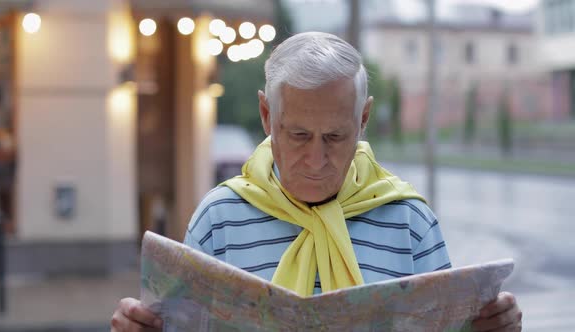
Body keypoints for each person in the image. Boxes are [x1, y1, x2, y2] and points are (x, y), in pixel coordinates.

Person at [111, 32, 522, 332]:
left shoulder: (411, 223)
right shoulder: (218, 220)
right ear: (267, 115)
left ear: (363, 119)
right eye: (299, 135)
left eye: (335, 137)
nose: (316, 159)